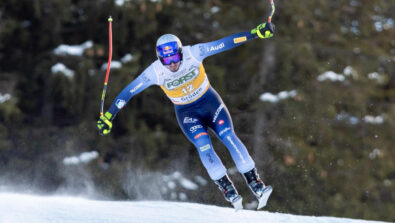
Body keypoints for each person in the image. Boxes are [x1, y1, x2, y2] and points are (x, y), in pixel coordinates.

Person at [97, 22, 275, 209]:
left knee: (228, 136)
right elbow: (129, 91)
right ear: (159, 59)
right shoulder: (155, 71)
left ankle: (256, 185)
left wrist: (254, 33)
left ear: (180, 52)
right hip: (187, 113)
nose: (172, 64)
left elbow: (225, 43)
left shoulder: (194, 53)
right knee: (203, 145)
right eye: (166, 60)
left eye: (174, 57)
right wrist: (109, 115)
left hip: (209, 102)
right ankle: (228, 190)